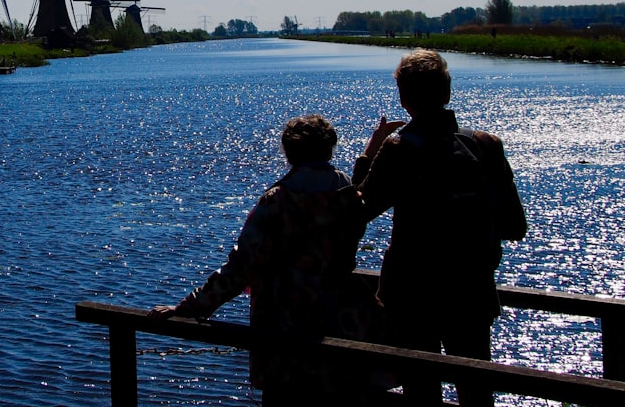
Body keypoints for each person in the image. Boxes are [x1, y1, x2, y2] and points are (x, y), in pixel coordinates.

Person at [150, 114, 381, 404]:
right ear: (329, 148)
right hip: (344, 328)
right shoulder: (348, 196)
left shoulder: (278, 201)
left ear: (289, 152)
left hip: (286, 336)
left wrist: (189, 307)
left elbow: (240, 268)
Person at [354, 49, 527, 406]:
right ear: (447, 93)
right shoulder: (485, 145)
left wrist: (369, 153)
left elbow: (357, 211)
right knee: (477, 390)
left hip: (412, 294)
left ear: (403, 99)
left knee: (421, 392)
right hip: (472, 289)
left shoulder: (399, 148)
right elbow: (515, 225)